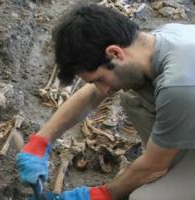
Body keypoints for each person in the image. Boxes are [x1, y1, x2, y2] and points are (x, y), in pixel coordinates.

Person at [16, 3, 195, 200]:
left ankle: (171, 165)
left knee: (143, 197)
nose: (103, 89)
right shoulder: (159, 40)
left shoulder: (178, 86)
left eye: (99, 79)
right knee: (132, 96)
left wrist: (99, 195)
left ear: (115, 53)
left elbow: (153, 166)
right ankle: (172, 161)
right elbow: (93, 93)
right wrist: (41, 140)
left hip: (183, 101)